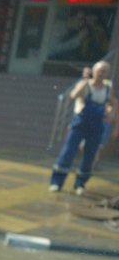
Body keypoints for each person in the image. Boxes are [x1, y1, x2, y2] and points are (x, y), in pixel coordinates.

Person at [50, 61, 117, 195]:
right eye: (99, 70)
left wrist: (110, 114)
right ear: (94, 70)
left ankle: (80, 184)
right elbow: (73, 96)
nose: (101, 73)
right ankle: (56, 182)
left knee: (90, 155)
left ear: (107, 74)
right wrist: (85, 81)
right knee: (68, 152)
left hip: (97, 125)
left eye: (104, 71)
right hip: (80, 123)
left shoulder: (108, 88)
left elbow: (114, 102)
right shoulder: (85, 84)